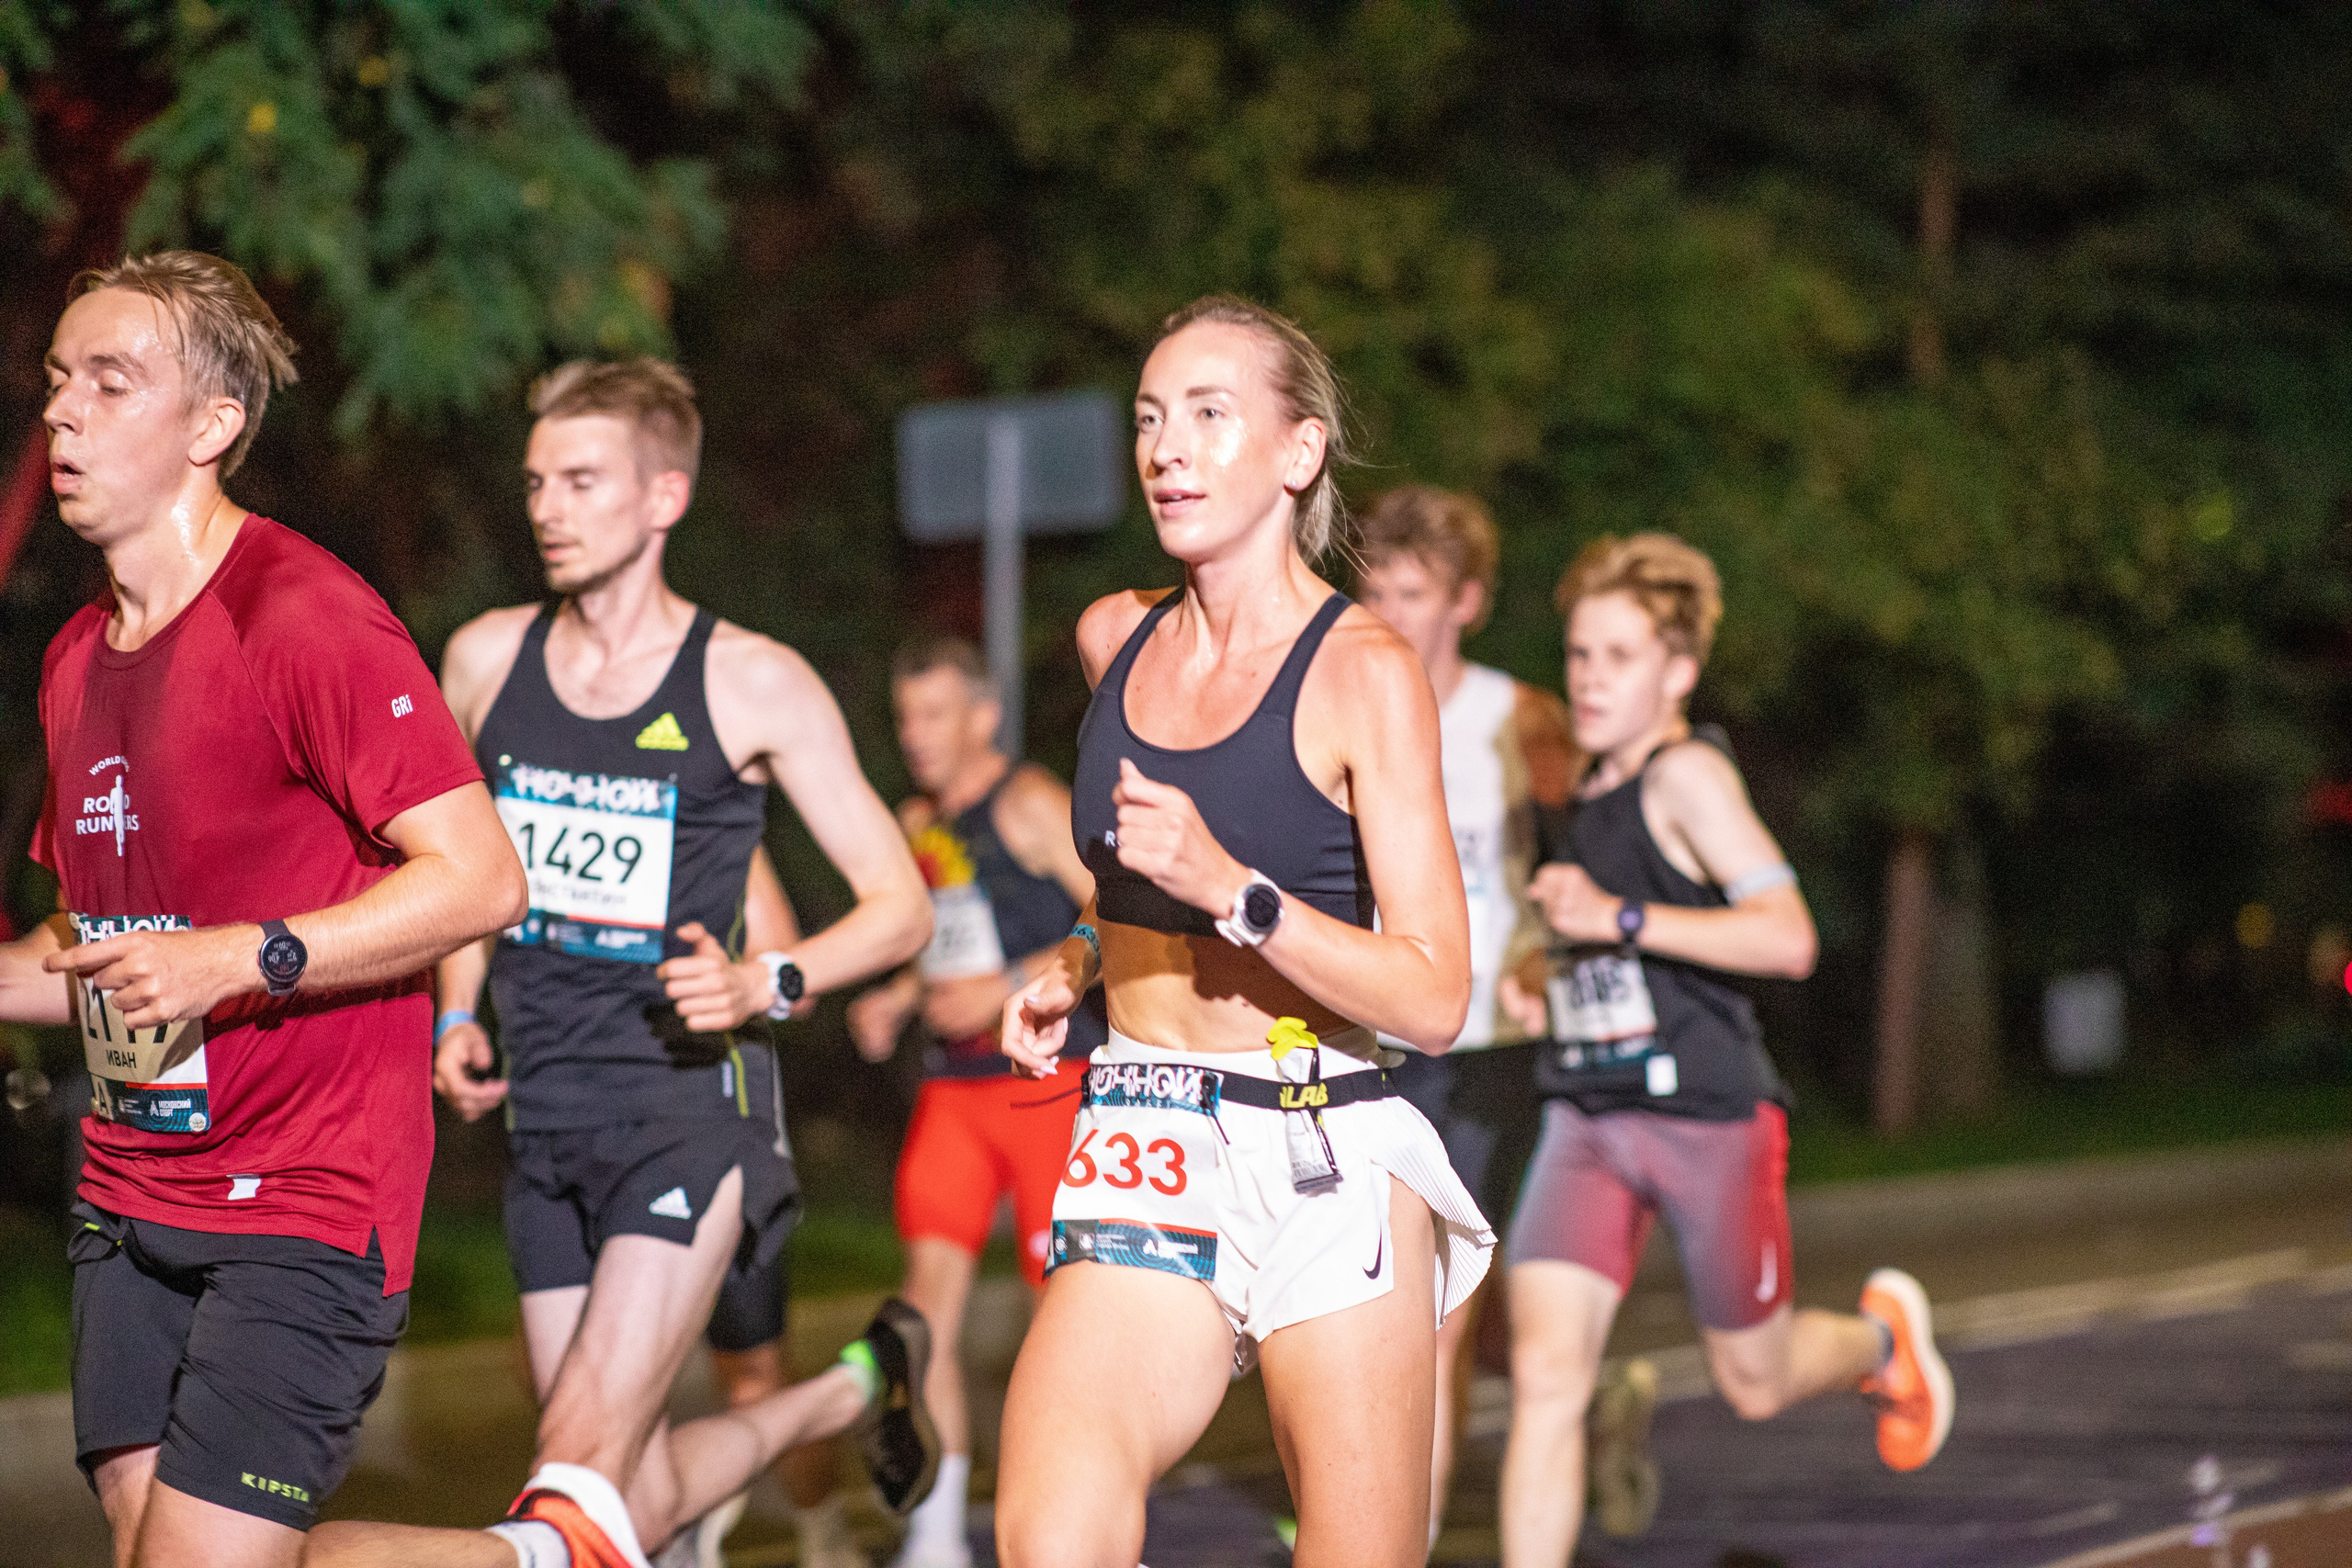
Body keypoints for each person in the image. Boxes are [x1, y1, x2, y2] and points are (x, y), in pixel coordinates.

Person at [309, 357, 939, 1568]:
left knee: (572, 1481)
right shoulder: (487, 659)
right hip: (546, 1121)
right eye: (538, 480)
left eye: (582, 480)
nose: (547, 505)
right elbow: (461, 868)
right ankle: (852, 1391)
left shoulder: (751, 679)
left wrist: (774, 981)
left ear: (663, 497)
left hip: (687, 1108)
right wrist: (454, 1012)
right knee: (621, 1490)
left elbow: (900, 904)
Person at [0, 251, 528, 1568]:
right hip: (131, 1174)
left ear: (213, 426)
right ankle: (540, 1554)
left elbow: (480, 877)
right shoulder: (77, 659)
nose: (60, 412)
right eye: (57, 381)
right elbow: (100, 950)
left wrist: (241, 957)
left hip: (303, 1189)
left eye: (109, 383)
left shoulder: (303, 617)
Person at [990, 296, 1491, 1568]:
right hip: (1146, 1127)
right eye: (1153, 419)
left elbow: (1435, 994)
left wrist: (1240, 891)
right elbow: (1127, 882)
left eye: (1212, 416)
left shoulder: (1363, 669)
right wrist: (1080, 956)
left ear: (1298, 451)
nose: (1169, 448)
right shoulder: (1117, 637)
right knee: (1051, 1532)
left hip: (1323, 1140)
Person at [1498, 533, 1954, 1567]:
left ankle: (1884, 1343)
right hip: (1586, 1115)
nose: (1590, 680)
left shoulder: (1687, 775)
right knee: (1546, 1379)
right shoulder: (1573, 791)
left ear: (1678, 672)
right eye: (1579, 655)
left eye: (1618, 658)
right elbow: (1607, 939)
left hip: (1704, 1113)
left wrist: (1612, 918)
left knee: (1750, 1383)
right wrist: (1546, 977)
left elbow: (1788, 938)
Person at [845, 636, 1100, 1568]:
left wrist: (1005, 983)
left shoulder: (1029, 802)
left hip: (1047, 1084)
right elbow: (939, 945)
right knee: (923, 1314)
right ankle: (940, 1536)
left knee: (1062, 1321)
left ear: (983, 717)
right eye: (906, 715)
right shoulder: (917, 820)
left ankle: (1069, 1524)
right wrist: (900, 995)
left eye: (936, 713)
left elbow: (1113, 908)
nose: (916, 735)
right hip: (954, 1090)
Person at [1353, 485, 1575, 1548]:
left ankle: (1407, 1532)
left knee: (1441, 1314)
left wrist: (1547, 940)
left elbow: (1587, 843)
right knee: (1383, 1312)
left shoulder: (1520, 717)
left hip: (1489, 1042)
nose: (1390, 613)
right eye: (1376, 589)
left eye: (1414, 593)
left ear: (1468, 602)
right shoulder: (1340, 704)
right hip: (1372, 1041)